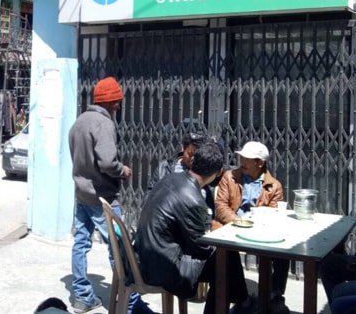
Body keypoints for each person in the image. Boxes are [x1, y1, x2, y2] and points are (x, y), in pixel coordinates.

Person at [134, 143, 257, 314]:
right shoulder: (193, 199)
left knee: (227, 257)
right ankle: (244, 303)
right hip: (163, 267)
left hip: (146, 256)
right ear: (218, 172)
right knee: (224, 262)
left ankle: (244, 302)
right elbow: (200, 248)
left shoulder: (170, 178)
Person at [68, 77, 153, 314]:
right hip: (103, 198)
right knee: (120, 248)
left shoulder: (79, 122)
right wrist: (122, 170)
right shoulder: (103, 124)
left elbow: (78, 157)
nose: (118, 106)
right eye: (117, 101)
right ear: (109, 101)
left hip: (81, 195)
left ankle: (82, 296)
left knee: (80, 243)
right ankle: (131, 303)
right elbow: (107, 162)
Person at [214, 141, 290, 314]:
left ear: (260, 163)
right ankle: (241, 298)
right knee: (227, 253)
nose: (243, 162)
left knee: (283, 254)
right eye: (242, 157)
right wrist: (237, 222)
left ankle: (275, 295)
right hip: (231, 226)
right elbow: (221, 205)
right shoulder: (230, 177)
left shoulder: (274, 186)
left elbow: (272, 214)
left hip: (259, 231)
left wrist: (255, 225)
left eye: (248, 159)